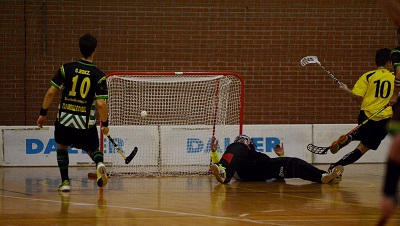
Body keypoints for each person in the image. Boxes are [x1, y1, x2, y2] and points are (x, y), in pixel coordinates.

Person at [37, 34, 109, 192]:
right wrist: (105, 123)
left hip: (65, 119)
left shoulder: (66, 69)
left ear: (80, 49)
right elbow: (101, 103)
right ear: (94, 50)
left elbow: (50, 93)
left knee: (62, 147)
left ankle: (65, 182)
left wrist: (43, 113)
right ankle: (99, 164)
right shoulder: (99, 76)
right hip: (84, 122)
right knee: (92, 149)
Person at [325, 48, 394, 174]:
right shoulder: (395, 78)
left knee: (364, 132)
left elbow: (358, 97)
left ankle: (350, 137)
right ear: (389, 63)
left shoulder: (367, 76)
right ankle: (335, 165)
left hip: (366, 115)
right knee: (363, 148)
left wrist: (346, 90)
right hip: (383, 119)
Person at [210, 135, 344, 184]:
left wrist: (281, 156)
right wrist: (214, 153)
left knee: (294, 162)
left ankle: (324, 176)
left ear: (250, 143)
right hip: (242, 171)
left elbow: (280, 174)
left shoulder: (257, 154)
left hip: (262, 172)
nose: (242, 141)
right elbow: (220, 164)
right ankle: (225, 173)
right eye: (240, 140)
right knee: (236, 147)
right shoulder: (237, 149)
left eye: (245, 140)